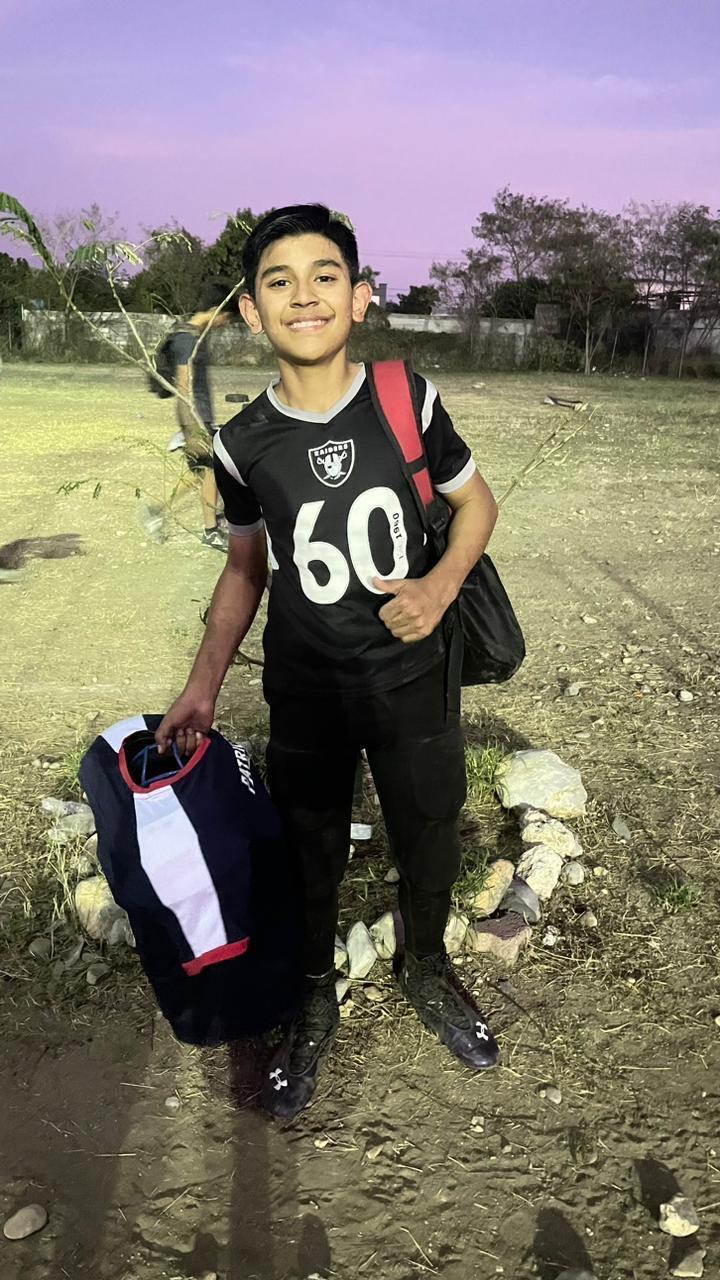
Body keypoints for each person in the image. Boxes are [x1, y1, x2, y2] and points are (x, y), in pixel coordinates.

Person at [156, 205, 501, 1121]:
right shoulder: (241, 444)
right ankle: (313, 996)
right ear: (251, 311)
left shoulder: (406, 399)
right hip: (306, 690)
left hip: (412, 683)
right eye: (279, 281)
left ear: (359, 298)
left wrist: (439, 588)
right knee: (307, 853)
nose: (303, 295)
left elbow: (477, 504)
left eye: (324, 276)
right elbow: (246, 568)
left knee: (429, 833)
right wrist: (200, 688)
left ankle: (427, 966)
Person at [166, 281, 236, 550]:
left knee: (203, 474)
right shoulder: (187, 340)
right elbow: (184, 388)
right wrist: (193, 429)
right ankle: (211, 531)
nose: (225, 324)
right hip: (194, 417)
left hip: (201, 416)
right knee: (210, 472)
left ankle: (158, 513)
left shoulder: (196, 335)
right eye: (226, 317)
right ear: (216, 310)